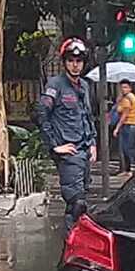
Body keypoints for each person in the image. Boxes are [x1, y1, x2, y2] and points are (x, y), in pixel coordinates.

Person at [35, 38, 96, 228]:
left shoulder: (84, 86)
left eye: (79, 61)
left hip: (84, 150)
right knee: (76, 203)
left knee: (81, 203)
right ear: (64, 62)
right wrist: (54, 145)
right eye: (71, 60)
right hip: (68, 152)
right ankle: (72, 248)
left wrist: (93, 142)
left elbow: (88, 115)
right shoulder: (56, 85)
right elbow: (40, 113)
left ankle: (77, 247)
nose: (75, 65)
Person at [113, 79, 135, 174]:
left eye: (125, 87)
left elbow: (124, 115)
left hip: (128, 124)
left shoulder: (127, 99)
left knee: (126, 148)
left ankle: (128, 170)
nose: (123, 89)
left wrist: (117, 128)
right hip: (134, 124)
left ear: (130, 88)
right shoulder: (132, 97)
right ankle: (128, 169)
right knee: (129, 147)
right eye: (121, 88)